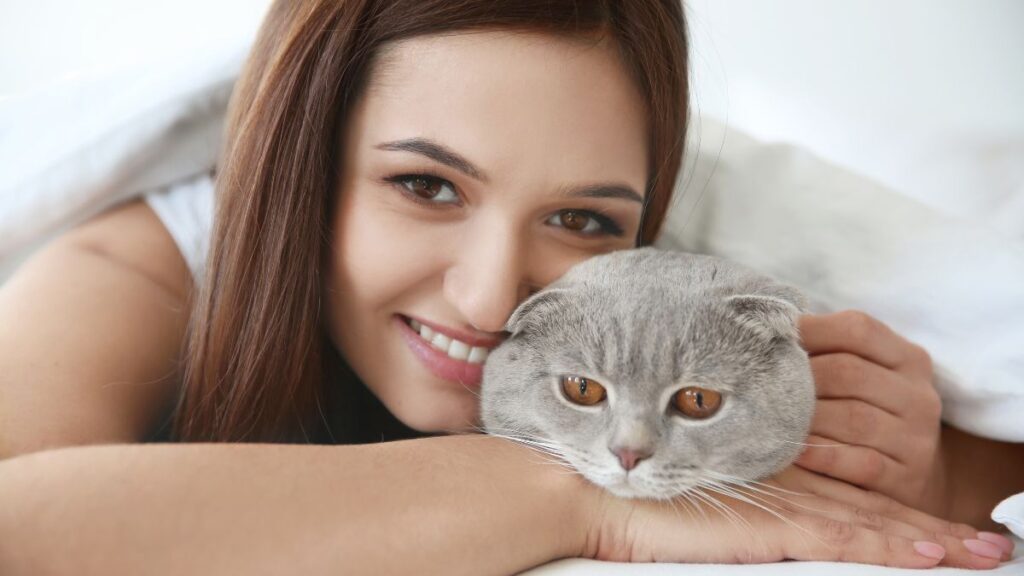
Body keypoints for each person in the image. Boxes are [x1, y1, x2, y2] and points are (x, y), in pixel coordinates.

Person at [0, 0, 1020, 573]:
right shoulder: (144, 261)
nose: (490, 303)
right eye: (426, 185)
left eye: (583, 220)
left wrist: (914, 468)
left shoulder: (702, 288)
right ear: (303, 164)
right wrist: (566, 501)